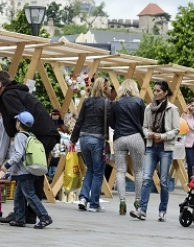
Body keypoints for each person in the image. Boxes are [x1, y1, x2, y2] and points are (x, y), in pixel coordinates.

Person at [0, 70, 60, 224]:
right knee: (34, 175)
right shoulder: (18, 92)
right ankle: (27, 214)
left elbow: (20, 116)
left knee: (29, 175)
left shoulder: (8, 95)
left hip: (39, 134)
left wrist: (18, 138)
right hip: (46, 133)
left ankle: (26, 214)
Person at [131, 80, 180, 222]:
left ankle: (162, 210)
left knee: (164, 181)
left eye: (159, 90)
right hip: (151, 146)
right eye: (155, 90)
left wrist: (163, 136)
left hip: (166, 148)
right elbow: (144, 127)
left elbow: (176, 129)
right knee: (146, 178)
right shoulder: (148, 108)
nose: (156, 93)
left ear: (165, 93)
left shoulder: (172, 109)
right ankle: (142, 210)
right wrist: (149, 134)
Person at [0, 111, 53, 229]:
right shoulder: (30, 135)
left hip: (24, 172)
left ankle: (45, 217)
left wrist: (6, 166)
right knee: (19, 195)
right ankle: (20, 219)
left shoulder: (19, 136)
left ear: (19, 123)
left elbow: (18, 155)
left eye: (17, 121)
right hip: (27, 170)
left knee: (29, 194)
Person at [70, 77, 109, 213]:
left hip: (84, 138)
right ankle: (94, 204)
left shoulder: (86, 101)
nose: (110, 89)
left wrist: (73, 139)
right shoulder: (106, 102)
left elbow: (79, 121)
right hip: (97, 139)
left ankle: (83, 198)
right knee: (98, 172)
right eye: (108, 87)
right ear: (104, 88)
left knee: (90, 170)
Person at [108, 79, 146, 216]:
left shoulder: (115, 104)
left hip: (119, 138)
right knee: (139, 170)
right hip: (136, 137)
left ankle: (122, 201)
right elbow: (144, 122)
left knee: (120, 171)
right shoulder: (139, 102)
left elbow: (111, 124)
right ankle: (138, 200)